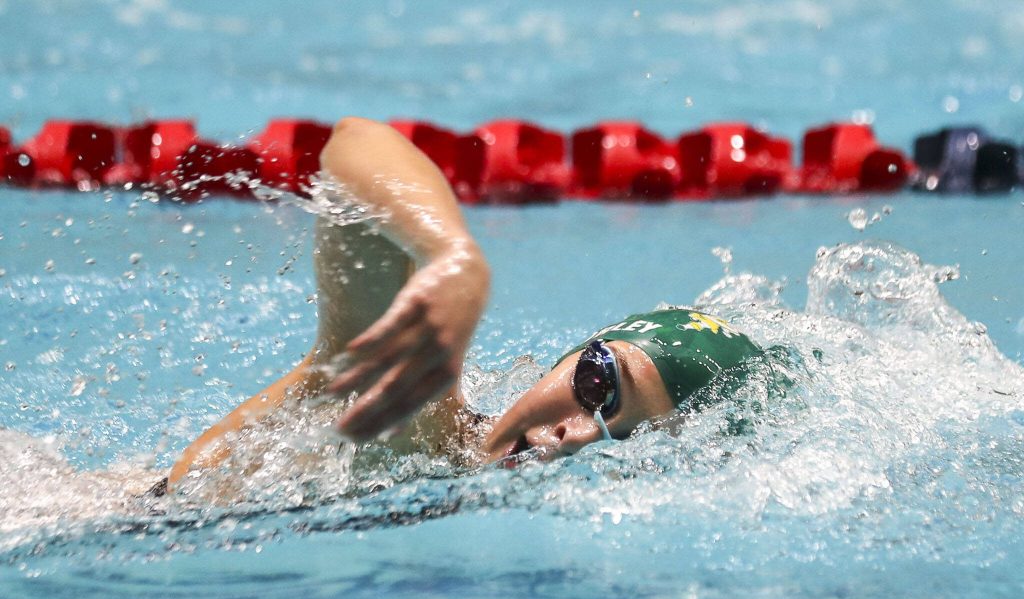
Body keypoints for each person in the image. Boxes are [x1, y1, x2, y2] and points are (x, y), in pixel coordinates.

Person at [165, 117, 763, 491]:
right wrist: (454, 257)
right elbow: (354, 144)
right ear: (572, 356)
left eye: (626, 440)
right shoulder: (408, 413)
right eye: (599, 385)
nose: (576, 435)